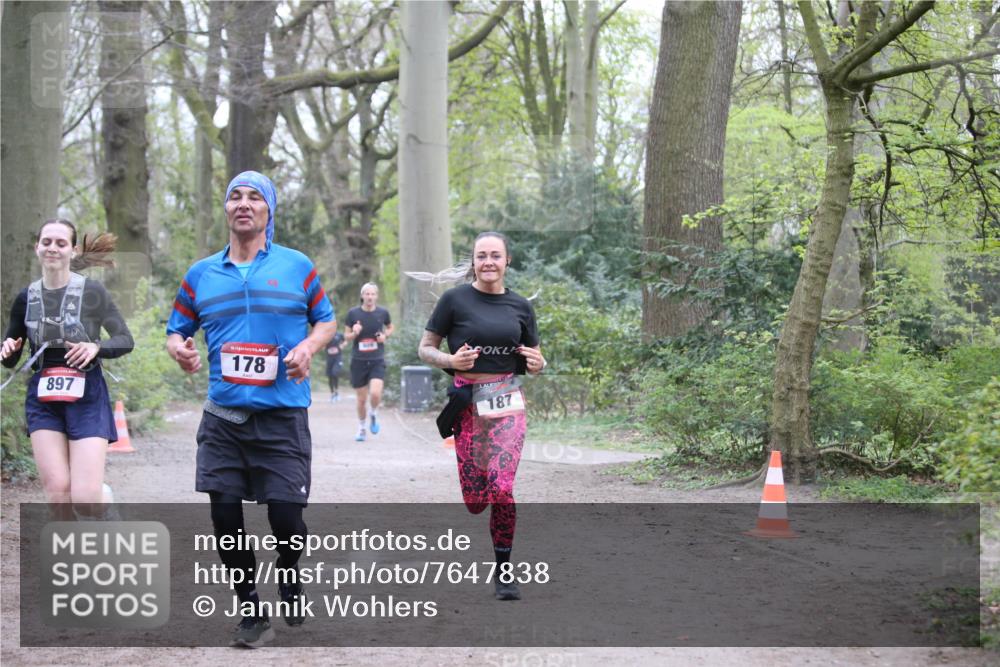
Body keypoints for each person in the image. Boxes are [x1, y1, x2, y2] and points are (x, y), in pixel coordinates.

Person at [165, 171, 337, 648]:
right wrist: (179, 349)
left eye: (254, 197)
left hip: (282, 417)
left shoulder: (296, 266)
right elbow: (176, 329)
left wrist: (307, 347)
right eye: (235, 197)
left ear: (268, 210)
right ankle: (250, 610)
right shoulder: (201, 274)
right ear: (226, 209)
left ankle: (289, 571)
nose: (243, 204)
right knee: (225, 520)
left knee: (287, 522)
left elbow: (326, 321)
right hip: (223, 419)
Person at [417, 231, 546, 601]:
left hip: (507, 402)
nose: (488, 262)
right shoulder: (454, 300)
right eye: (482, 255)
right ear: (473, 262)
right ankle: (484, 504)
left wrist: (539, 363)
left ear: (507, 261)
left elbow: (536, 357)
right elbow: (425, 348)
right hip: (467, 405)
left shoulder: (520, 306)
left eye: (495, 255)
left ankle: (504, 571)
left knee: (502, 488)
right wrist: (449, 360)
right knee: (476, 501)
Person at [1, 219, 134, 519]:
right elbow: (12, 355)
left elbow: (125, 340)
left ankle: (104, 500)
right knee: (58, 493)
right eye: (46, 242)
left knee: (85, 499)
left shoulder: (92, 292)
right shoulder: (26, 297)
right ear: (37, 247)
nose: (52, 248)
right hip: (44, 400)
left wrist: (96, 347)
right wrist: (6, 349)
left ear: (72, 250)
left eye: (60, 243)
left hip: (87, 396)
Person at [343, 282, 393, 441]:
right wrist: (354, 333)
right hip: (358, 360)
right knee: (361, 399)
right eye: (367, 294)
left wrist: (385, 336)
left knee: (376, 393)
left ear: (376, 296)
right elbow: (346, 336)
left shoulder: (383, 313)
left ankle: (373, 412)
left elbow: (390, 327)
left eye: (372, 294)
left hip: (377, 359)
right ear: (362, 296)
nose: (370, 297)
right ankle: (362, 428)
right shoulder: (353, 313)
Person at [325, 332, 345, 402]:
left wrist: (342, 345)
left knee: (335, 373)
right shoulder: (326, 335)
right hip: (329, 358)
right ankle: (332, 394)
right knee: (330, 376)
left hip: (337, 358)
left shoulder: (339, 335)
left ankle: (337, 392)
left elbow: (345, 340)